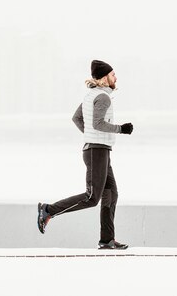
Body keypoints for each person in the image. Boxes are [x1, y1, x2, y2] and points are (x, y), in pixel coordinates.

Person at [37, 59, 134, 250]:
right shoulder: (102, 97)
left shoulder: (91, 95)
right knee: (92, 197)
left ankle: (107, 239)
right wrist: (121, 129)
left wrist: (90, 134)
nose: (116, 77)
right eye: (113, 74)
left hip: (99, 149)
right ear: (105, 78)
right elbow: (97, 124)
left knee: (111, 193)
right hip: (96, 151)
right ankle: (48, 210)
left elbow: (77, 119)